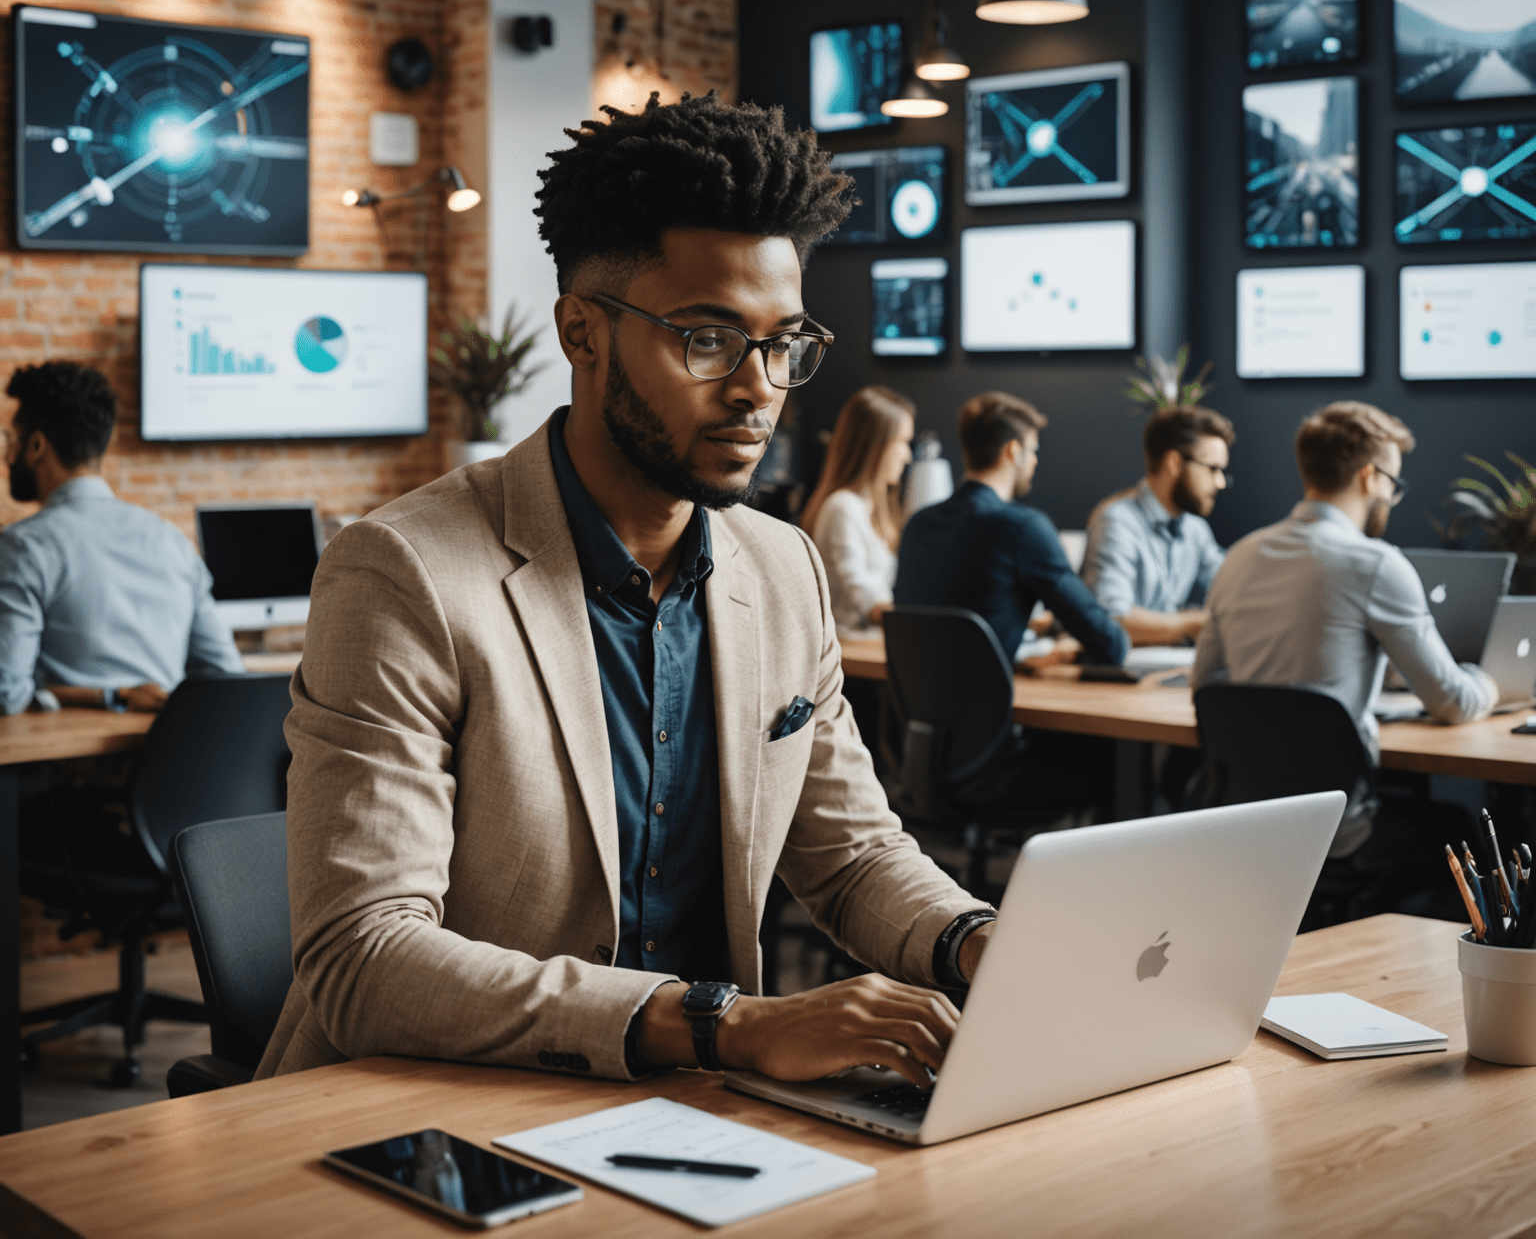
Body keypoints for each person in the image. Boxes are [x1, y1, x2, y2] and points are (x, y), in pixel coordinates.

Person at [259, 95, 992, 1091]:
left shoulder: (782, 567)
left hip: (697, 1108)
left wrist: (975, 944)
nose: (756, 387)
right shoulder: (404, 572)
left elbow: (851, 853)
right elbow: (365, 959)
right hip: (441, 1113)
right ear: (582, 333)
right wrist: (718, 1025)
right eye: (707, 339)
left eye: (783, 345)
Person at [1192, 400, 1498, 855]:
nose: (1391, 499)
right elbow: (1452, 702)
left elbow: (1206, 685)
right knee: (1458, 828)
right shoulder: (1375, 564)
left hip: (1248, 827)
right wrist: (1491, 681)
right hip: (1340, 833)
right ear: (1370, 477)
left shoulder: (1239, 556)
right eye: (1394, 483)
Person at [893, 392, 1128, 816]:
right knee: (1117, 762)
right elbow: (1111, 644)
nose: (1035, 463)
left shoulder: (918, 526)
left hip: (922, 759)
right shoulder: (1022, 527)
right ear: (1014, 451)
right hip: (993, 768)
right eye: (1034, 451)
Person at [0, 361, 243, 715]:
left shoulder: (23, 547)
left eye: (11, 440)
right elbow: (227, 677)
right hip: (176, 764)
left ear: (36, 446)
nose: (6, 454)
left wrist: (103, 695)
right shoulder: (171, 541)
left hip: (75, 768)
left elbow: (7, 695)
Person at [1082, 405, 1234, 645]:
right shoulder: (1117, 522)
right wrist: (1193, 623)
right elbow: (1111, 618)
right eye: (1212, 469)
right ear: (1173, 462)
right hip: (1117, 672)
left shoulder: (1195, 530)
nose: (1220, 482)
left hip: (1161, 664)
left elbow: (1230, 584)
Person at [800, 385, 914, 636]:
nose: (907, 456)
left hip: (870, 644)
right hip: (847, 652)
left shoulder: (870, 509)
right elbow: (862, 593)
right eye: (902, 442)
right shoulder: (842, 506)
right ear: (875, 446)